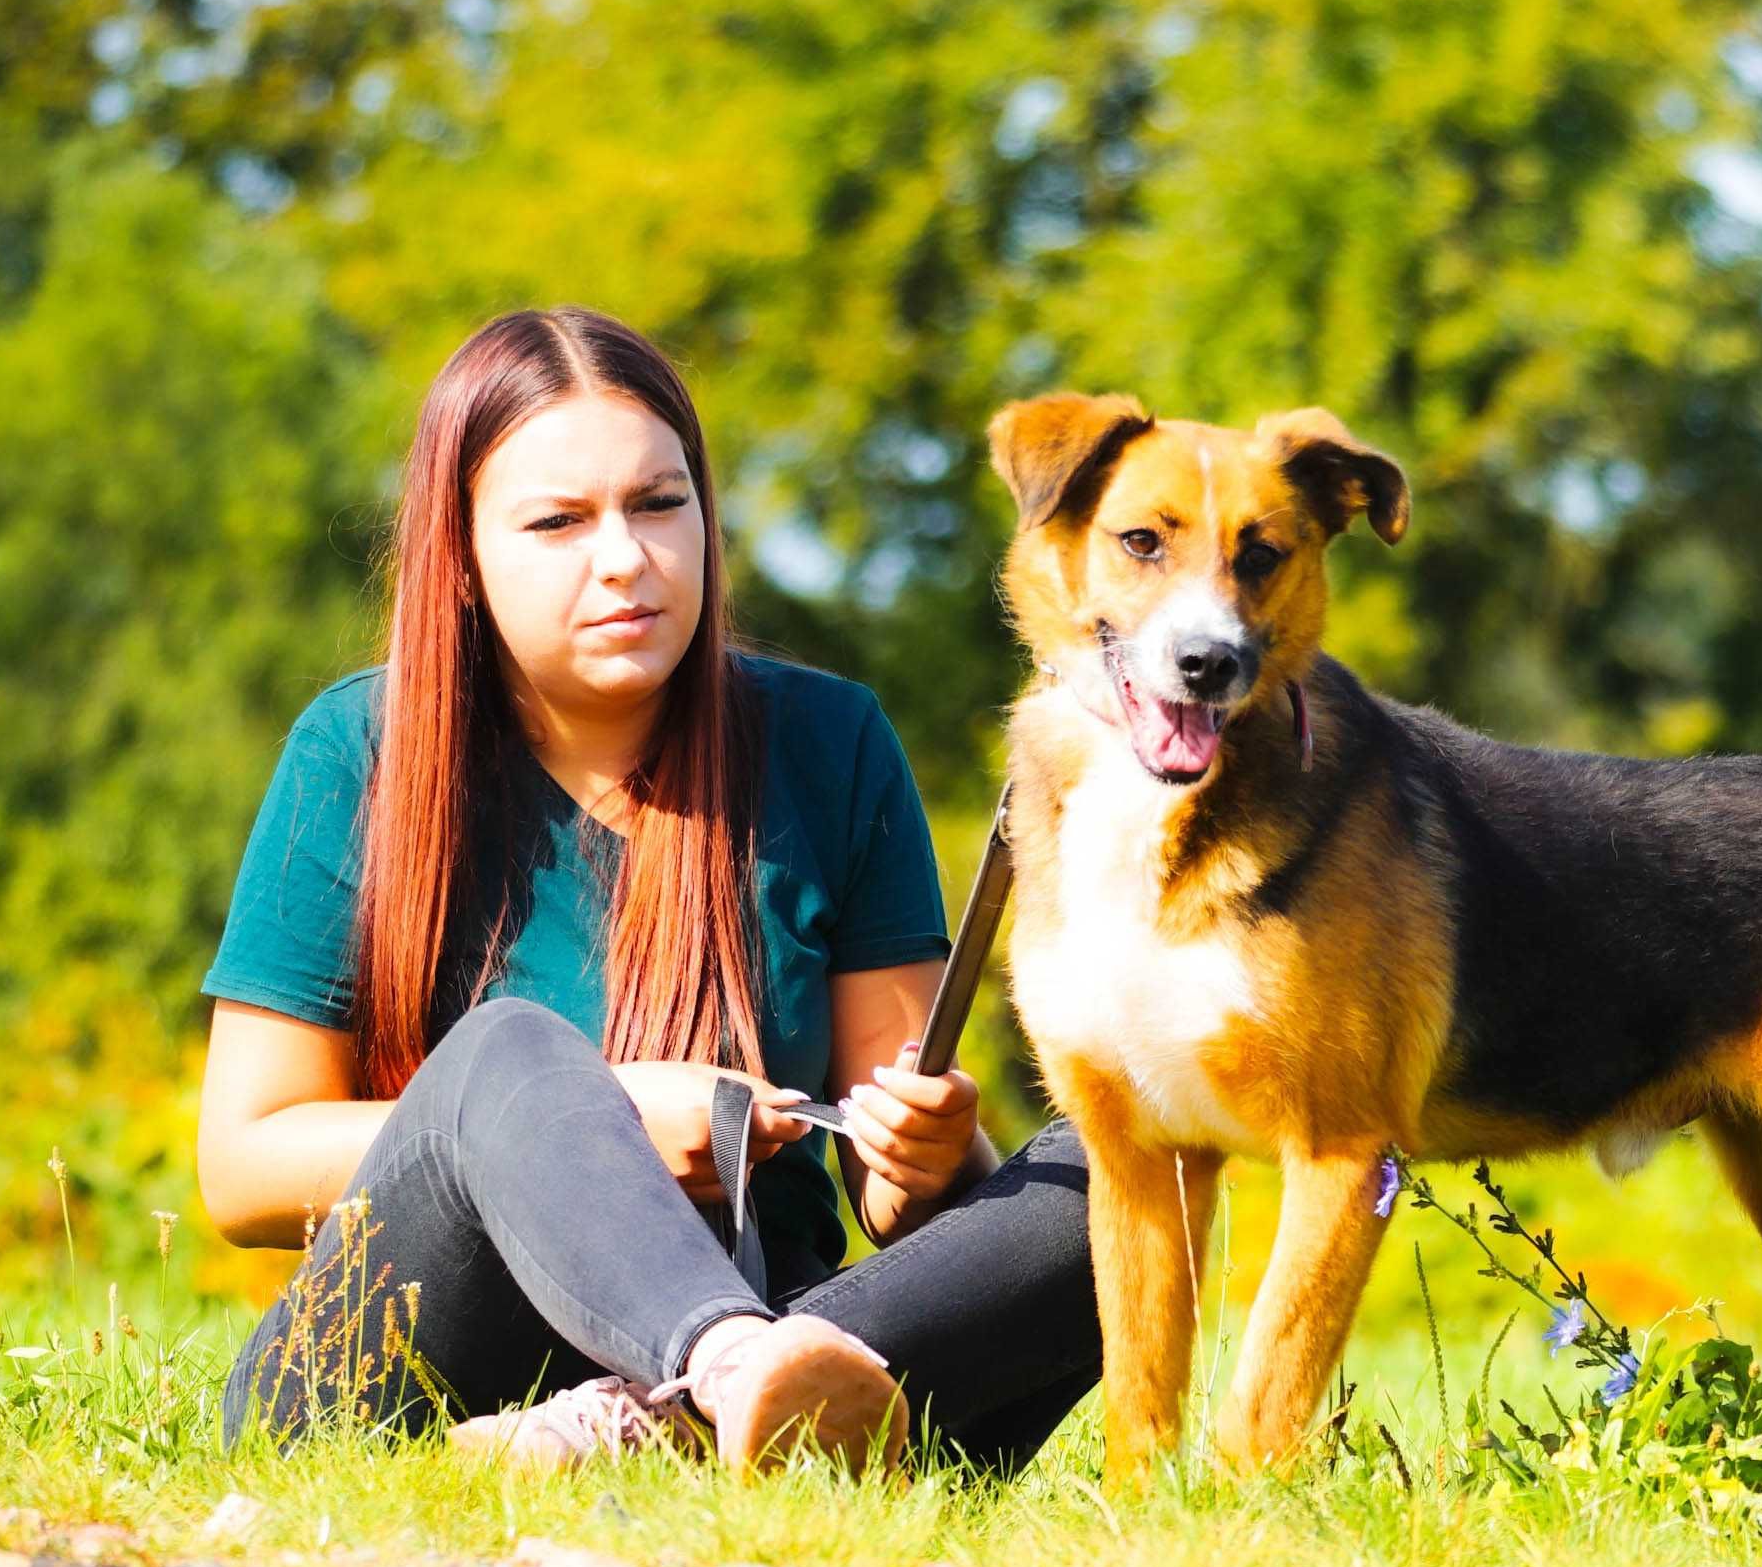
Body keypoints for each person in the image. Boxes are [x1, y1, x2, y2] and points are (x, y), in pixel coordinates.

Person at [195, 306, 1096, 1475]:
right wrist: (591, 1120)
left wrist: (930, 1155)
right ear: (461, 560)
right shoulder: (351, 752)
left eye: (659, 504)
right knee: (509, 1052)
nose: (623, 555)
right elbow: (244, 1167)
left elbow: (895, 1196)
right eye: (558, 522)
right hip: (409, 1375)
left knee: (1114, 1179)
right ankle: (715, 1376)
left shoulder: (829, 740)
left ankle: (648, 1431)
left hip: (800, 1319)